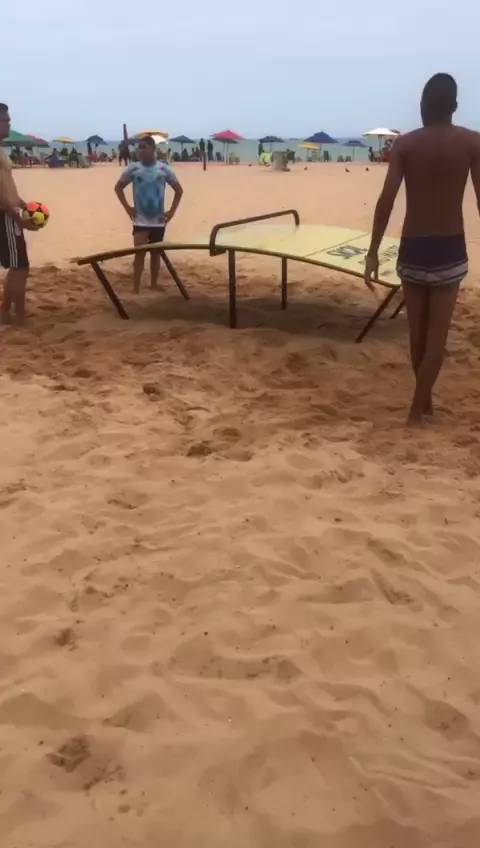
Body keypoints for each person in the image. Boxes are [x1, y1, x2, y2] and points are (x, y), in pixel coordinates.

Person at [364, 73, 480, 426]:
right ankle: (418, 408)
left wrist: (373, 251)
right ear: (455, 106)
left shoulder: (405, 145)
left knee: (417, 334)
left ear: (422, 106)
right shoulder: (471, 142)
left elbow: (386, 199)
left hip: (413, 245)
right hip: (449, 246)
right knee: (436, 337)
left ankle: (423, 403)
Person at [114, 135, 183, 292]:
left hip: (158, 220)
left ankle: (153, 284)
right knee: (139, 254)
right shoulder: (133, 169)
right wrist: (127, 208)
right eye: (139, 147)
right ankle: (136, 288)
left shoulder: (163, 169)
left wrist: (172, 212)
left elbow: (179, 190)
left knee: (155, 254)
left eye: (144, 147)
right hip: (140, 219)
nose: (140, 150)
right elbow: (118, 188)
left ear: (153, 149)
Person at [0, 103, 38, 324]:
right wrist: (17, 218)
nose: (9, 123)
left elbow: (7, 186)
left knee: (16, 266)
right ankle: (19, 316)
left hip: (10, 213)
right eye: (5, 120)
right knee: (21, 267)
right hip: (6, 215)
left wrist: (25, 206)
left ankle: (6, 313)